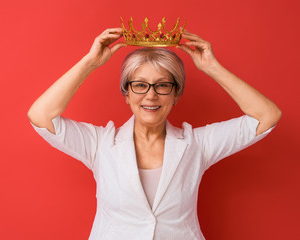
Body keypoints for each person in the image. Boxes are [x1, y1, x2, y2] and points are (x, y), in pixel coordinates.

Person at [27, 28, 281, 239]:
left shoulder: (197, 144)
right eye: (139, 85)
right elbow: (40, 115)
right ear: (126, 94)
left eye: (162, 85)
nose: (150, 95)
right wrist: (90, 62)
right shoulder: (100, 144)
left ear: (176, 95)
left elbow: (267, 116)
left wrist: (212, 68)